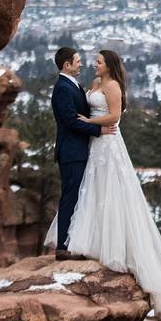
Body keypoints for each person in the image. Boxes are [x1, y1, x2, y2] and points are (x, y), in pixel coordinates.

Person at [44, 49, 161, 321]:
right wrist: (92, 127)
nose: (89, 64)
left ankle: (103, 244)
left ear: (108, 65)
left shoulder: (111, 86)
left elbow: (113, 117)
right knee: (88, 194)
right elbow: (74, 116)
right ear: (67, 64)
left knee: (105, 192)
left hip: (107, 144)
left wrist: (92, 124)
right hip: (90, 146)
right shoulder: (88, 85)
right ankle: (75, 243)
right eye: (81, 61)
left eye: (97, 61)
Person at [49, 47, 117, 261]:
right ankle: (63, 248)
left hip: (81, 149)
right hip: (71, 151)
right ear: (66, 65)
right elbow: (70, 121)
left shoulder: (73, 85)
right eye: (77, 61)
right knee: (70, 196)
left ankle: (74, 241)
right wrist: (99, 130)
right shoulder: (62, 88)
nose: (81, 64)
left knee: (80, 196)